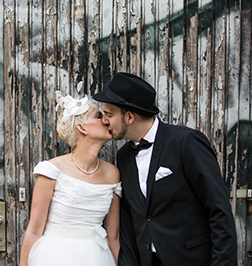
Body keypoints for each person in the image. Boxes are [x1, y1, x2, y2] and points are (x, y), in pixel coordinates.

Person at [93, 72, 237, 266]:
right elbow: (128, 223)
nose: (104, 121)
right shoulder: (124, 156)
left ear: (129, 117)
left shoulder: (186, 142)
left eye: (109, 114)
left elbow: (219, 209)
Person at [19, 92, 122, 266]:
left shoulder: (112, 174)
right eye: (98, 116)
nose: (106, 120)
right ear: (82, 128)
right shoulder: (52, 171)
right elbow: (34, 231)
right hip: (54, 256)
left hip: (98, 257)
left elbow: (114, 237)